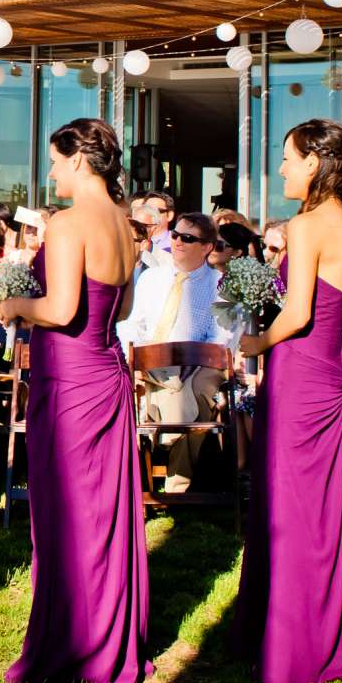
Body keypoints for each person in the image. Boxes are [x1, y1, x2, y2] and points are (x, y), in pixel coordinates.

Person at [0, 118, 149, 683]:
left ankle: (71, 641)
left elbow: (59, 311)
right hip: (107, 372)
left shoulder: (68, 224)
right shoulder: (124, 225)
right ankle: (107, 632)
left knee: (65, 511)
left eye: (57, 161)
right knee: (101, 511)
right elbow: (123, 310)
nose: (53, 171)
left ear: (79, 161)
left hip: (71, 380)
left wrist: (14, 304)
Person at [237, 118, 342, 683]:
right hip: (336, 375)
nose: (280, 169)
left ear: (313, 164)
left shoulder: (306, 227)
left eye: (287, 158)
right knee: (327, 508)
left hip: (301, 377)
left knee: (292, 509)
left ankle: (298, 643)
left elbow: (298, 312)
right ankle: (338, 632)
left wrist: (257, 342)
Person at [119, 211, 230, 494]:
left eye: (188, 238)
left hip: (197, 366)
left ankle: (175, 481)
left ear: (206, 247)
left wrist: (183, 364)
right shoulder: (151, 279)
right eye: (176, 235)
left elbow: (220, 340)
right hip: (150, 363)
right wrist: (144, 357)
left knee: (188, 391)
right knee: (159, 388)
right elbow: (132, 324)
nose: (178, 242)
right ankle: (148, 476)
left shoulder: (219, 285)